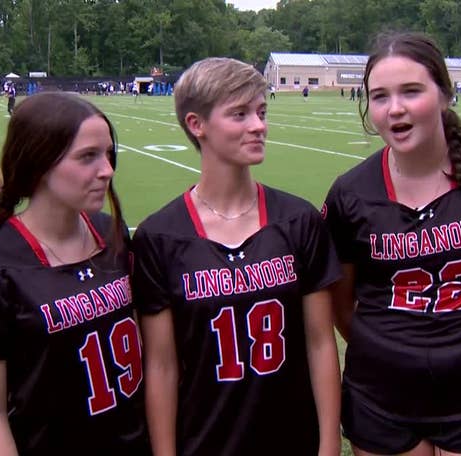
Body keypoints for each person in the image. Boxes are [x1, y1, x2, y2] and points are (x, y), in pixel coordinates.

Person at [323, 32, 461, 456]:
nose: (395, 108)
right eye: (380, 96)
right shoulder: (351, 193)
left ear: (444, 94)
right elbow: (343, 309)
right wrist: (394, 348)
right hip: (381, 398)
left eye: (411, 91)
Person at [133, 57, 341, 456]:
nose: (258, 125)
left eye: (261, 112)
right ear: (197, 125)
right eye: (240, 114)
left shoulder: (298, 220)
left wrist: (329, 444)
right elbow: (161, 367)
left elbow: (320, 342)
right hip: (204, 439)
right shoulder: (159, 237)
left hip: (291, 438)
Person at [0, 92, 150, 456]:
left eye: (107, 154)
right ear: (39, 162)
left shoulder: (112, 233)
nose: (107, 169)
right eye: (87, 156)